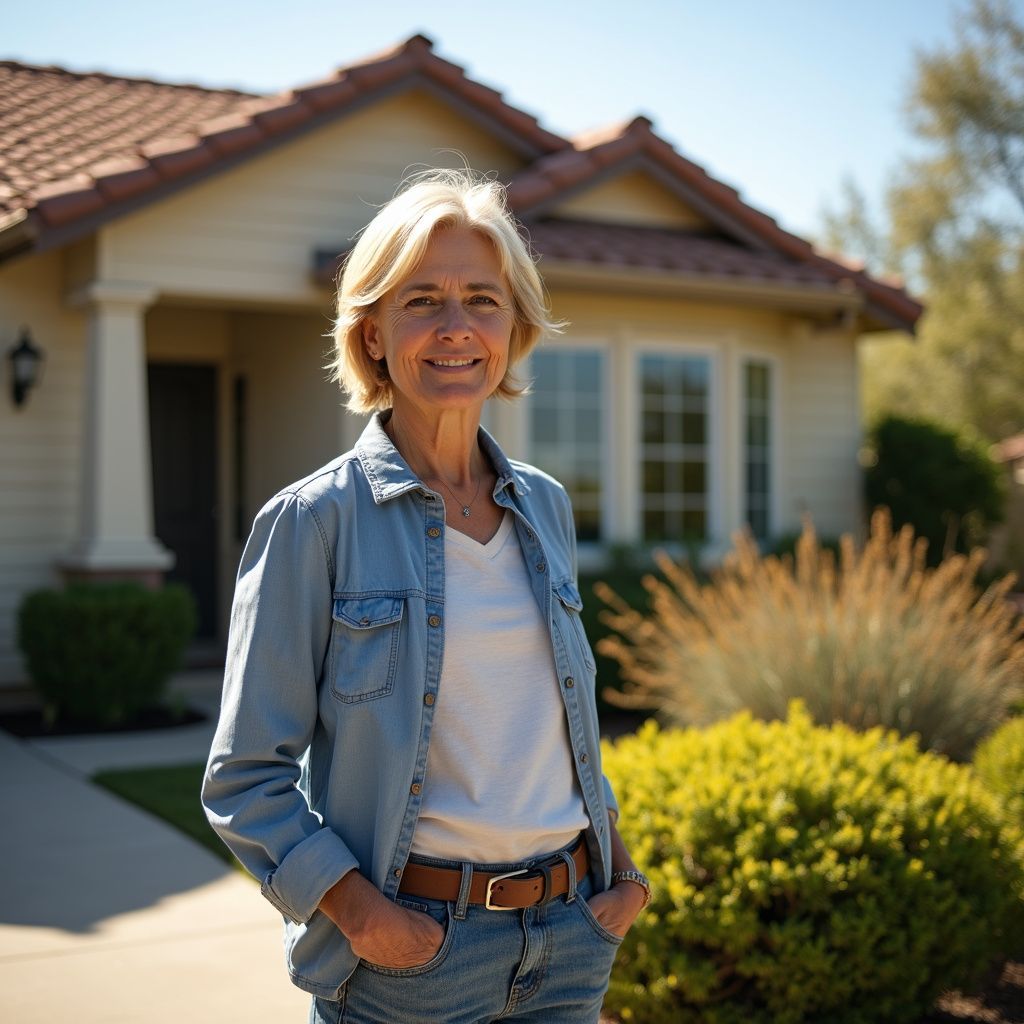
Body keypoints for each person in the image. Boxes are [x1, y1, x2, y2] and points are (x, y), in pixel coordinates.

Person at [201, 167, 650, 1024]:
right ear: (371, 335)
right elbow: (243, 775)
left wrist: (621, 879)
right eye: (421, 301)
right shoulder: (314, 522)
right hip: (414, 963)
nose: (456, 328)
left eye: (482, 299)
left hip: (570, 940)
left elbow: (558, 724)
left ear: (513, 329)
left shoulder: (545, 506)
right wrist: (367, 920)